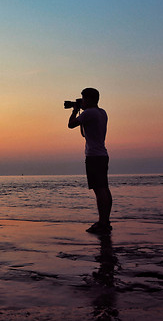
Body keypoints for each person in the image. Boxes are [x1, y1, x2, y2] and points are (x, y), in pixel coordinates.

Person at [67, 87, 112, 234]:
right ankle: (105, 221)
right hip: (102, 155)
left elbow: (71, 124)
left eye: (83, 99)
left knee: (99, 190)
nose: (82, 102)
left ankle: (102, 222)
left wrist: (75, 110)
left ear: (89, 99)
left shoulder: (89, 113)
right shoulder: (102, 112)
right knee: (104, 188)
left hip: (93, 156)